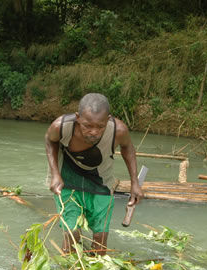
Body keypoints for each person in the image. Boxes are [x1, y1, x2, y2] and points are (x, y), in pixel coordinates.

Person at [45, 93, 143, 255]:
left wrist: (135, 183)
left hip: (101, 181)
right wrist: (55, 174)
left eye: (100, 127)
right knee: (72, 233)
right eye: (87, 126)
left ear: (108, 120)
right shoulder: (61, 126)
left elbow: (128, 147)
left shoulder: (118, 130)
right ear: (78, 118)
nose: (94, 132)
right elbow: (50, 140)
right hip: (66, 178)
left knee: (100, 237)